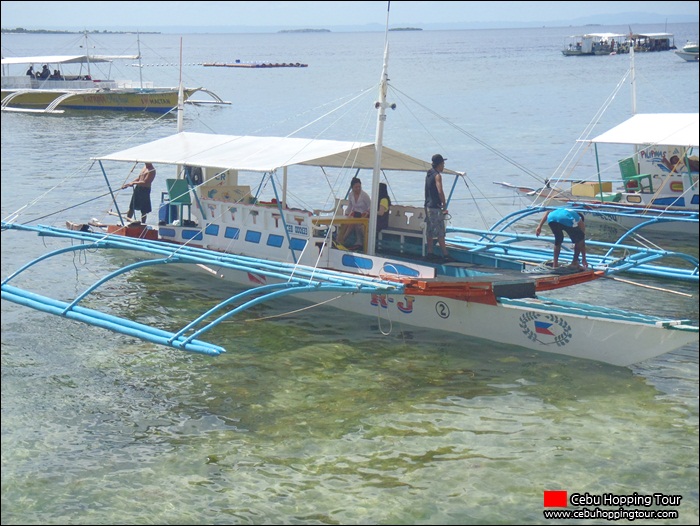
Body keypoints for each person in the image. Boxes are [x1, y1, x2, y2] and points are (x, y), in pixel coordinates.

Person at [424, 153, 451, 261]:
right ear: (439, 165)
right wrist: (444, 205)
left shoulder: (429, 173)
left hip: (427, 205)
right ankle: (445, 254)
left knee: (430, 230)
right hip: (435, 207)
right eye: (443, 164)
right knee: (440, 231)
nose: (443, 166)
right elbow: (440, 190)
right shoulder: (437, 175)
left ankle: (430, 252)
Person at [336, 176, 371, 250]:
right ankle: (340, 238)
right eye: (356, 187)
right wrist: (346, 215)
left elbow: (370, 206)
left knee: (352, 223)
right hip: (355, 214)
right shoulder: (351, 194)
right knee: (346, 222)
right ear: (352, 187)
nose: (358, 189)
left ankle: (342, 239)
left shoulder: (364, 195)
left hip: (364, 216)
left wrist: (365, 214)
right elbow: (350, 206)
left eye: (359, 187)